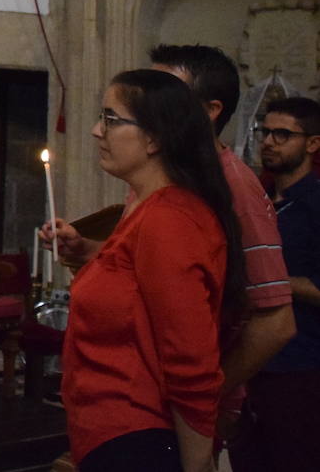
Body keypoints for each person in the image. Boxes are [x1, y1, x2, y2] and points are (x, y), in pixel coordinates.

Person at [44, 44, 294, 451]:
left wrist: (202, 415)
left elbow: (272, 322)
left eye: (167, 93)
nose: (97, 130)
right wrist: (93, 252)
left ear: (205, 112)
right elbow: (148, 280)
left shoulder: (218, 192)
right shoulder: (157, 190)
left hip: (154, 423)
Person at [61, 69, 246, 471]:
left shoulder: (170, 220)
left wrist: (198, 465)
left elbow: (190, 361)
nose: (96, 130)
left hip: (141, 438)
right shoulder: (145, 211)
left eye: (110, 119)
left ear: (155, 138)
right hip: (111, 433)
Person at [230, 97, 320, 472]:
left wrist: (276, 281)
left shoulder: (316, 205)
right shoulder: (257, 199)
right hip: (246, 363)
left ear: (313, 144)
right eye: (265, 132)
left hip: (300, 366)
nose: (268, 141)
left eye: (282, 134)